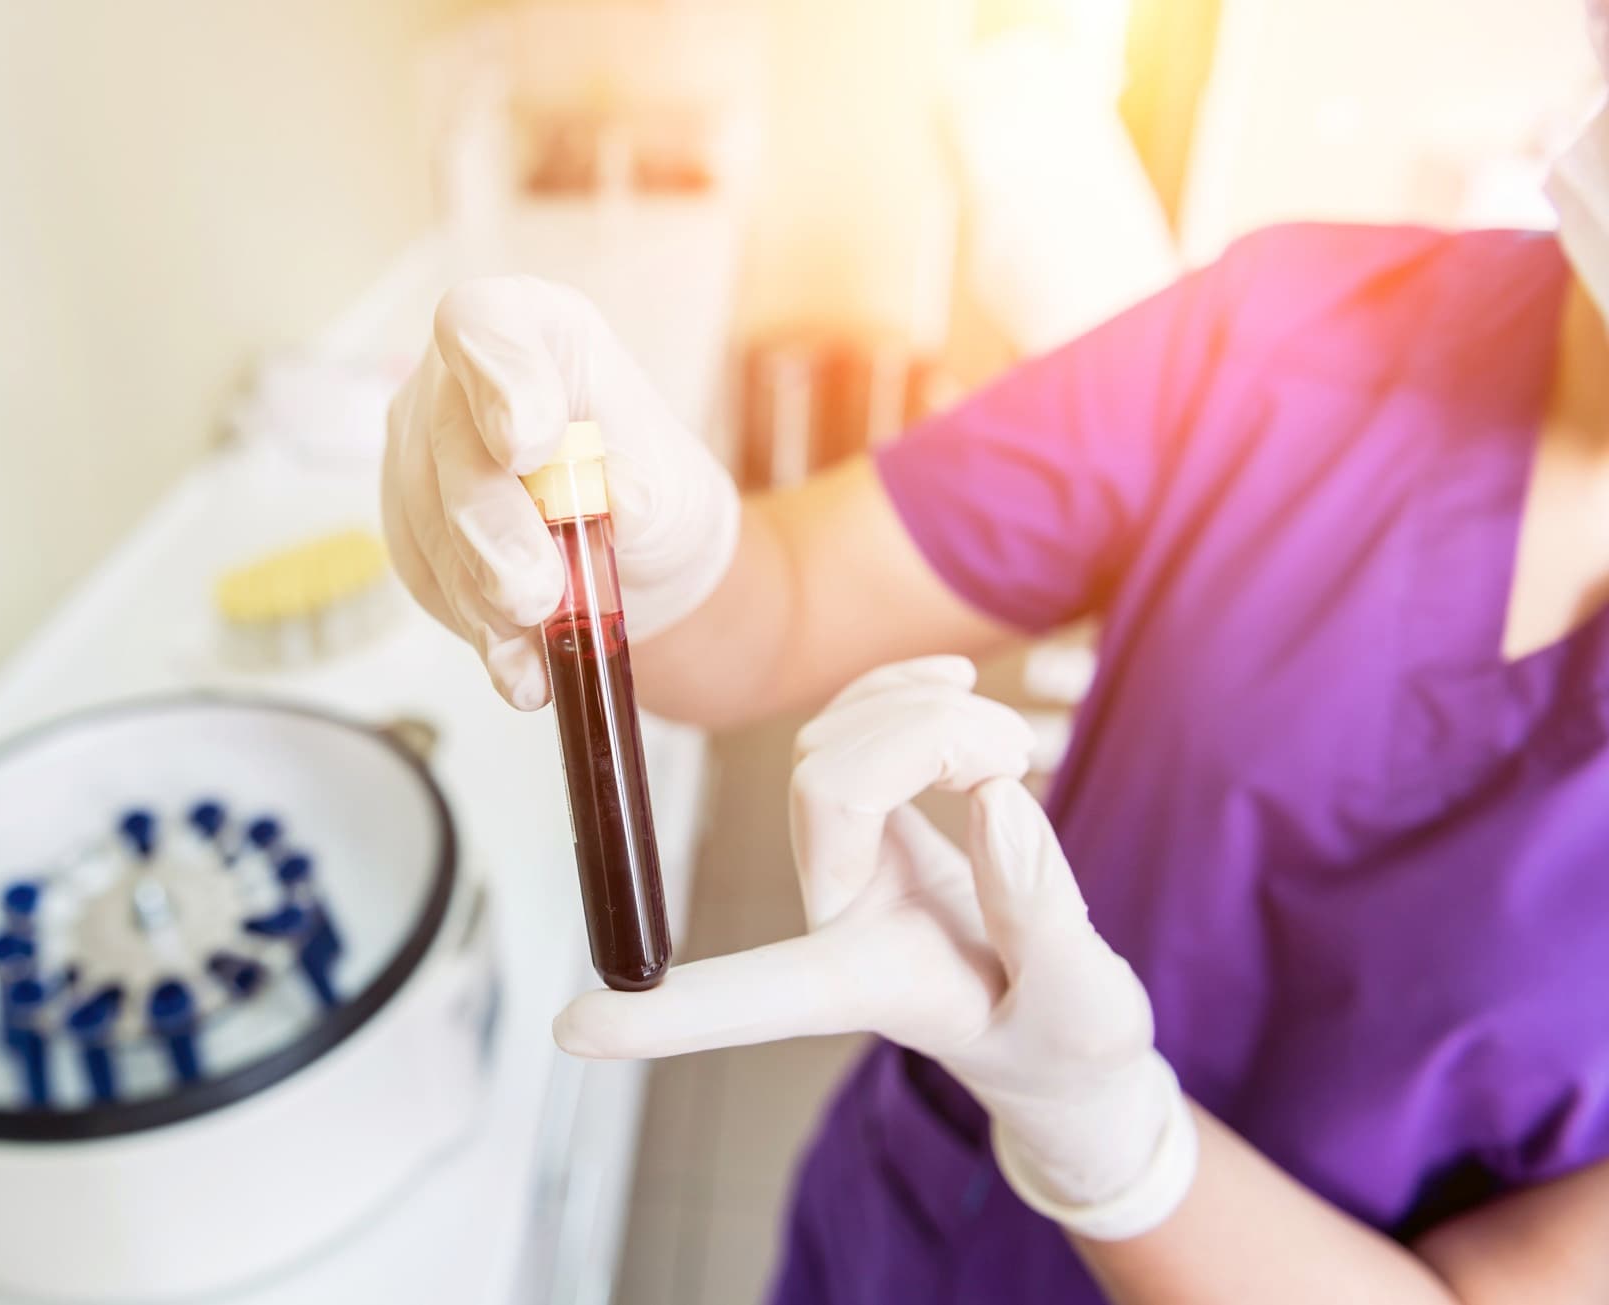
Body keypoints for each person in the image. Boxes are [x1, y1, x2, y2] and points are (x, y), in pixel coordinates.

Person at [380, 10, 1609, 1301]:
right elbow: (774, 611)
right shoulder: (1295, 327)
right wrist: (660, 561)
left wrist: (1121, 1152)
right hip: (909, 1230)